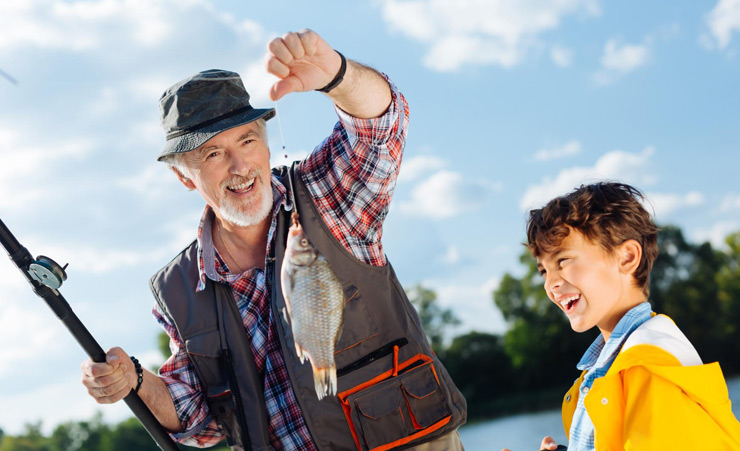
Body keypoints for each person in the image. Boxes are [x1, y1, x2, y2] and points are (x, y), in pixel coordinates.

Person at [80, 29, 467, 451]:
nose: (239, 166)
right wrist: (134, 380)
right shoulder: (176, 289)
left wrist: (337, 75)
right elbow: (200, 423)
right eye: (212, 154)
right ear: (182, 176)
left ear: (265, 142)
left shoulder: (324, 195)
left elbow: (381, 128)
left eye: (247, 140)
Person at [504, 182, 740, 451]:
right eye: (544, 271)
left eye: (563, 261)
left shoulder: (647, 372)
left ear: (627, 257)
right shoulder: (608, 367)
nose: (551, 284)